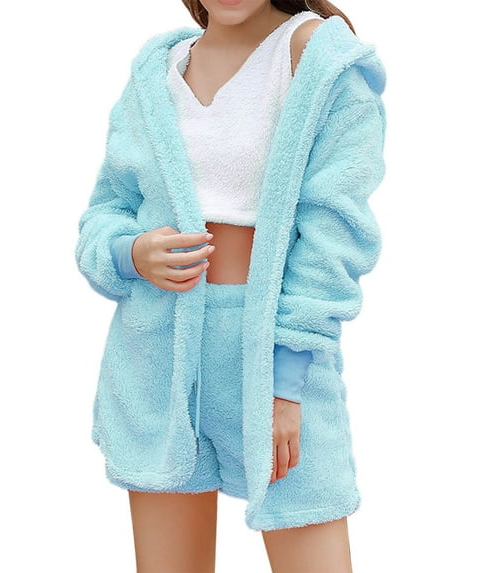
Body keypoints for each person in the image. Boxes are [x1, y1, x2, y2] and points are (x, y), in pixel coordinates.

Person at [74, 0, 387, 570]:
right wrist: (132, 252)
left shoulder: (321, 59)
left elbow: (336, 235)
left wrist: (286, 381)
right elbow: (109, 208)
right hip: (160, 353)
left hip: (272, 353)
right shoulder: (157, 69)